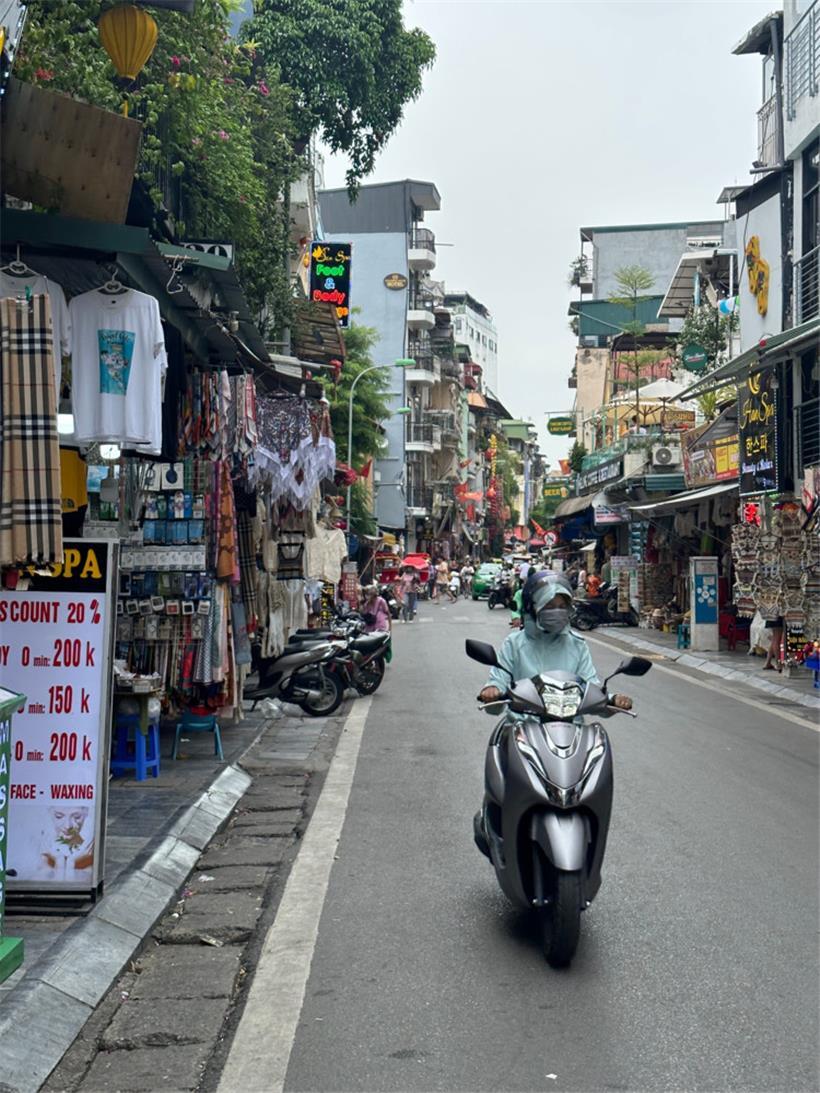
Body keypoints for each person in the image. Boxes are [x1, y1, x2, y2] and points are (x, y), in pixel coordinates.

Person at [478, 573, 632, 708]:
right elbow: (499, 679)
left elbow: (590, 686)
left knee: (598, 739)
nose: (557, 611)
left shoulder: (576, 644)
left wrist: (611, 699)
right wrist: (493, 689)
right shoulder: (514, 643)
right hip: (522, 724)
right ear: (533, 608)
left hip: (570, 725)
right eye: (549, 606)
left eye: (561, 606)